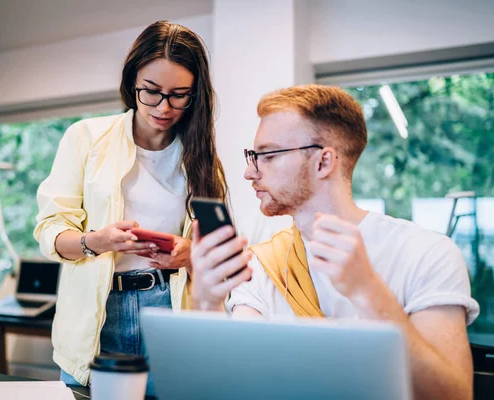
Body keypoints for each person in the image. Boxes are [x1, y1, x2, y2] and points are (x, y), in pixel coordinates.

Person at [189, 85, 479, 399]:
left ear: (324, 163)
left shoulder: (428, 253)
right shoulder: (262, 263)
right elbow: (233, 382)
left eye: (268, 156)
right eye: (253, 156)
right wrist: (205, 302)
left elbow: (453, 394)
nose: (249, 172)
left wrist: (367, 290)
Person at [34, 20, 227, 394]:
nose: (163, 107)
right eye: (151, 92)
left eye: (179, 95)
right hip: (97, 315)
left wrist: (191, 253)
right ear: (131, 83)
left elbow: (218, 250)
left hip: (169, 312)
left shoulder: (203, 160)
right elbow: (50, 232)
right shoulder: (86, 137)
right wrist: (98, 241)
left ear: (195, 95)